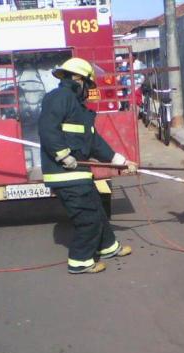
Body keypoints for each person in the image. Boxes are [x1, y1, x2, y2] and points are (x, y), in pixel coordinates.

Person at [38, 57, 137, 274]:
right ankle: (80, 260)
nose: (88, 90)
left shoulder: (77, 107)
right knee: (88, 219)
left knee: (98, 212)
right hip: (65, 174)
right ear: (79, 80)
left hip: (79, 174)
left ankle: (108, 246)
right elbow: (47, 130)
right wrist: (63, 156)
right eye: (88, 85)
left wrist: (120, 161)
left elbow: (93, 143)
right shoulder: (59, 97)